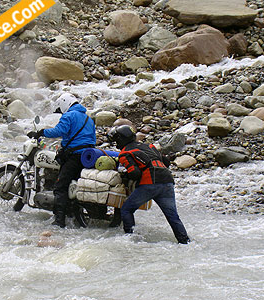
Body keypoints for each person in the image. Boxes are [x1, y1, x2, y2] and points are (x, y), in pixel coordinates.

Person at [107, 125, 190, 244]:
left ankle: (130, 240)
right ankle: (184, 241)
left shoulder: (125, 154)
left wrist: (125, 176)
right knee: (172, 216)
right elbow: (166, 162)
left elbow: (134, 173)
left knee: (126, 209)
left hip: (150, 183)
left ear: (120, 140)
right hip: (167, 181)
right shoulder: (149, 146)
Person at [27, 93, 96, 228]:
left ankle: (59, 220)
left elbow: (59, 131)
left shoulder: (69, 115)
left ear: (65, 104)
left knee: (60, 187)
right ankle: (71, 212)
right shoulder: (88, 119)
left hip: (74, 156)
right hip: (88, 156)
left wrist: (41, 132)